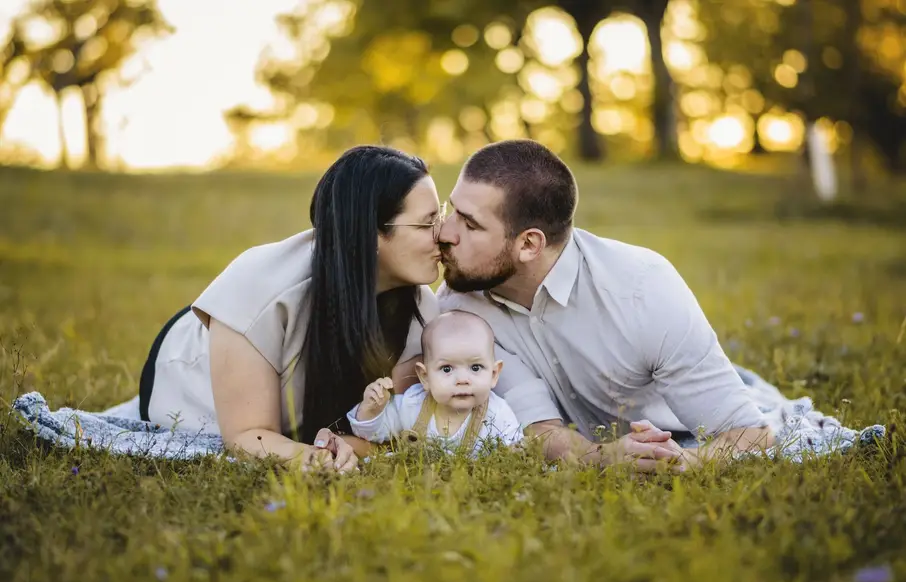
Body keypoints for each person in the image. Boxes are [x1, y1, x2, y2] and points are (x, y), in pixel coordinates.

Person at [435, 139, 776, 471]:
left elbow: (750, 434)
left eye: (470, 224)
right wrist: (605, 457)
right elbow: (540, 429)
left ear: (528, 244)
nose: (445, 233)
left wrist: (684, 461)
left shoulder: (643, 289)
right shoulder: (461, 307)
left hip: (678, 427)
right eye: (452, 210)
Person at [124, 145, 444, 473]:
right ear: (370, 233)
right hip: (188, 371)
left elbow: (395, 433)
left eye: (441, 217)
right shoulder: (260, 284)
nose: (444, 236)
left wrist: (346, 448)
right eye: (426, 224)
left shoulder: (421, 310)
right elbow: (247, 436)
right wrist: (314, 458)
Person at [346, 310, 524, 455]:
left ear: (494, 374)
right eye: (447, 369)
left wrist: (512, 454)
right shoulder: (412, 403)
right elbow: (373, 435)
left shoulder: (498, 415)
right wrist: (372, 410)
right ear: (425, 376)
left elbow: (515, 453)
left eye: (475, 368)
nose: (462, 380)